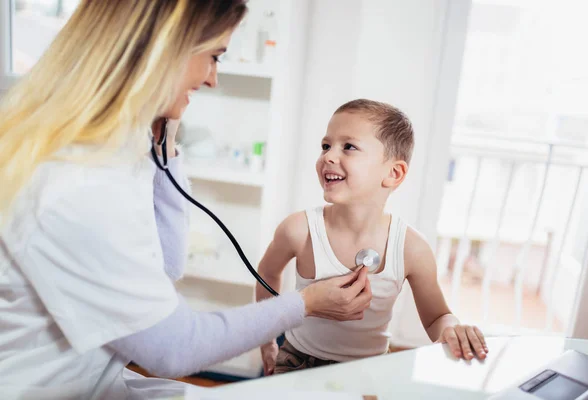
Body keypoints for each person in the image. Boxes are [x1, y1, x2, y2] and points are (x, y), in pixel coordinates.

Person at [0, 2, 372, 399]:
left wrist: (167, 150)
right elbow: (175, 348)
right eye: (213, 57)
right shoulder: (77, 179)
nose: (212, 78)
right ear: (166, 49)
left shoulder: (117, 148)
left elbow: (167, 266)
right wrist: (306, 303)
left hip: (91, 380)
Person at [257, 99, 488, 375]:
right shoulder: (299, 230)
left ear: (393, 173)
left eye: (349, 147)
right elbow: (267, 273)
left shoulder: (411, 248)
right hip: (297, 361)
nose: (329, 156)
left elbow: (437, 316)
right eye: (326, 145)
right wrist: (266, 341)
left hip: (370, 370)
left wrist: (452, 330)